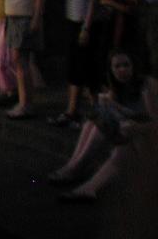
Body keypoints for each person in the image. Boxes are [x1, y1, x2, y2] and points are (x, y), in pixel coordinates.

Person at [48, 49, 157, 203]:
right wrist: (111, 106)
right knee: (92, 123)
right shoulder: (117, 88)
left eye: (126, 65)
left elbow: (153, 122)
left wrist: (134, 126)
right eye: (117, 67)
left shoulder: (146, 84)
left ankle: (88, 185)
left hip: (148, 140)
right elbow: (125, 116)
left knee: (123, 147)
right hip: (131, 133)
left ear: (134, 66)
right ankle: (74, 166)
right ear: (111, 70)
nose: (122, 70)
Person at [47, 0, 105, 127]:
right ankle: (72, 111)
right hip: (72, 19)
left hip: (85, 22)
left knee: (87, 67)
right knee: (75, 66)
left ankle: (97, 112)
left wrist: (86, 27)